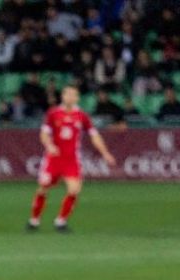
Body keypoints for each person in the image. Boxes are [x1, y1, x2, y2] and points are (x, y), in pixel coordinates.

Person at [27, 85, 116, 233]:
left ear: (77, 98)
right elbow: (44, 134)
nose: (70, 97)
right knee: (43, 188)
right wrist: (49, 145)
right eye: (67, 94)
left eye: (73, 95)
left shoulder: (82, 116)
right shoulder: (53, 113)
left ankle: (61, 221)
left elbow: (94, 136)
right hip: (53, 159)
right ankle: (34, 220)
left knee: (74, 189)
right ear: (62, 96)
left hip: (71, 159)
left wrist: (105, 153)